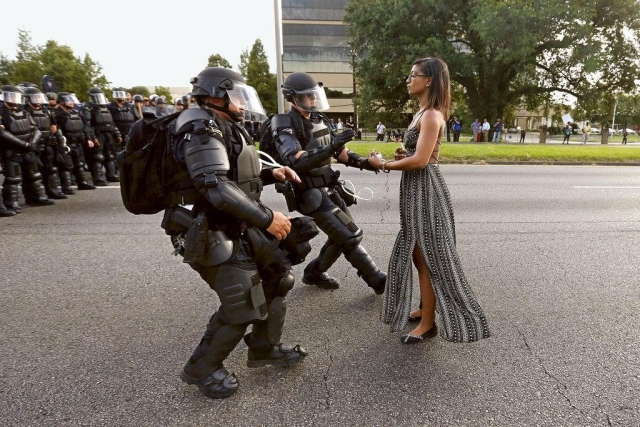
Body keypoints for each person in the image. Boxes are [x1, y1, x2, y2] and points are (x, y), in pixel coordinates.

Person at [162, 67, 308, 399]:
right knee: (242, 302)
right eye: (237, 95)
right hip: (207, 229)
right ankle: (202, 368)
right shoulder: (199, 128)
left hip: (234, 223)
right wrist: (269, 219)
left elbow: (235, 174)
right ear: (216, 96)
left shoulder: (221, 125)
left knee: (277, 277)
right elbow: (215, 186)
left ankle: (263, 347)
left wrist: (273, 173)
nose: (242, 103)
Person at [367, 57, 490, 344]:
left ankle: (428, 323)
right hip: (415, 188)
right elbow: (416, 155)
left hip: (426, 190)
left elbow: (422, 161)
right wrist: (402, 156)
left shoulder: (432, 115)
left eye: (414, 75)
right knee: (417, 253)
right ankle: (425, 307)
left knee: (428, 257)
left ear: (429, 80)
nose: (409, 80)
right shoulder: (421, 114)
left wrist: (383, 165)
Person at [263, 72, 387, 294]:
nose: (312, 100)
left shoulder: (319, 119)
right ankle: (377, 280)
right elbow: (294, 160)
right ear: (292, 98)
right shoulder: (283, 122)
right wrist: (330, 148)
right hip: (307, 191)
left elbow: (340, 151)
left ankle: (314, 272)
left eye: (314, 95)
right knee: (350, 236)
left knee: (340, 236)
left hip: (329, 186)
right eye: (307, 96)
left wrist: (366, 163)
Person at [0, 85, 55, 211]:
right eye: (11, 96)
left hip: (28, 149)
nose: (14, 99)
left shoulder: (24, 112)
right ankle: (11, 203)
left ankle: (37, 197)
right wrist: (23, 144)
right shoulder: (2, 113)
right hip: (11, 150)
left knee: (34, 175)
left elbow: (36, 129)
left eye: (16, 96)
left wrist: (32, 143)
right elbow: (2, 133)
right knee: (13, 178)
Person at [23, 86, 68, 200]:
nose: (38, 100)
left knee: (50, 169)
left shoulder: (45, 110)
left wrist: (57, 138)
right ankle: (32, 196)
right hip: (33, 144)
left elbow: (53, 126)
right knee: (33, 171)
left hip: (47, 142)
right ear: (29, 99)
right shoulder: (25, 111)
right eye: (35, 98)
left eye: (39, 97)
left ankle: (52, 191)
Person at [55, 92, 97, 191]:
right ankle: (67, 187)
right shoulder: (57, 115)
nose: (71, 102)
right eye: (68, 100)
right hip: (66, 144)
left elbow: (84, 128)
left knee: (80, 164)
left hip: (78, 143)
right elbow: (56, 130)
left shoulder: (76, 113)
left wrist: (88, 139)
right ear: (61, 101)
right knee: (66, 166)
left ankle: (82, 183)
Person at [82, 87, 122, 184]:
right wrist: (93, 137)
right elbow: (87, 125)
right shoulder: (88, 107)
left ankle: (111, 174)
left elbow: (111, 122)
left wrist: (117, 134)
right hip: (98, 133)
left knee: (110, 155)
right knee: (98, 156)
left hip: (108, 133)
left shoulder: (106, 107)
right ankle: (98, 178)